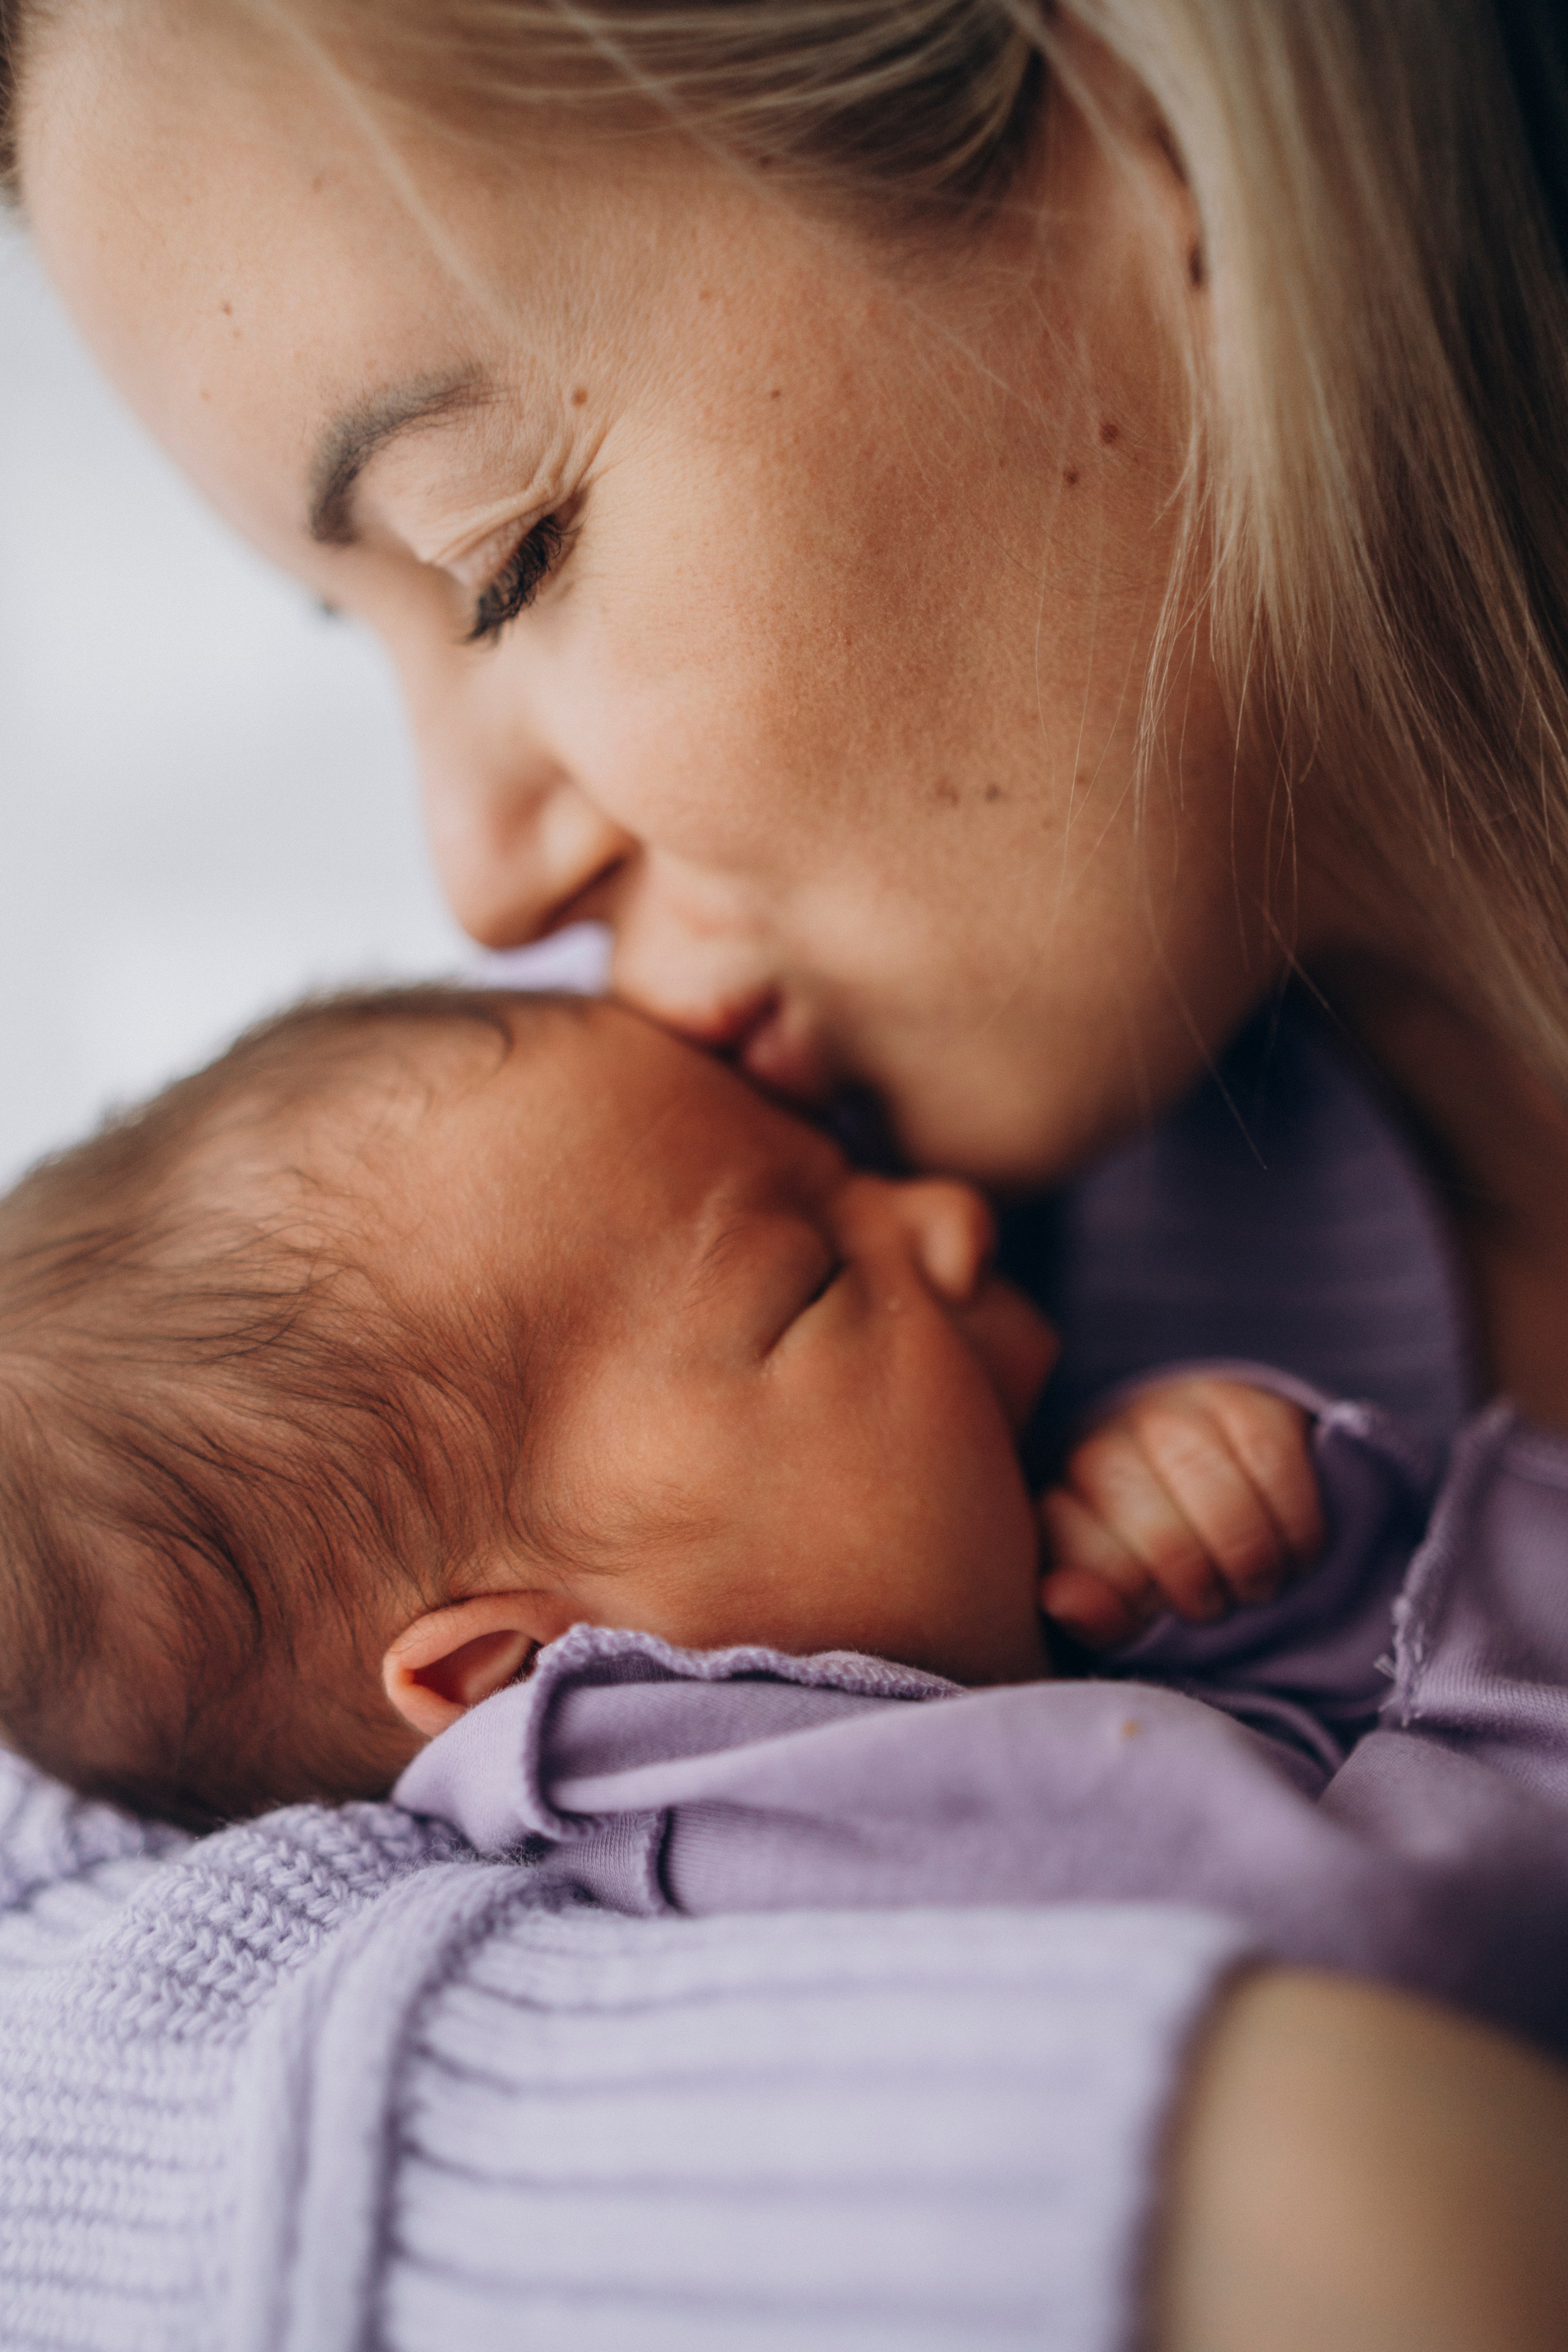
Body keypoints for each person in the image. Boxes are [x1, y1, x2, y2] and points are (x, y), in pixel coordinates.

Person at [6, 0, 1568, 2343]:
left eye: (502, 553)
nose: (475, 879)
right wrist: (1257, 2157)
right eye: (363, 639)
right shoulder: (739, 1203)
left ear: (1140, 107)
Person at [0, 980, 1327, 1819]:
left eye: (846, 1164)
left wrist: (1236, 1554)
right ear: (525, 1675)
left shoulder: (1020, 1549)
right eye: (811, 1281)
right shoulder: (723, 1902)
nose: (947, 1214)